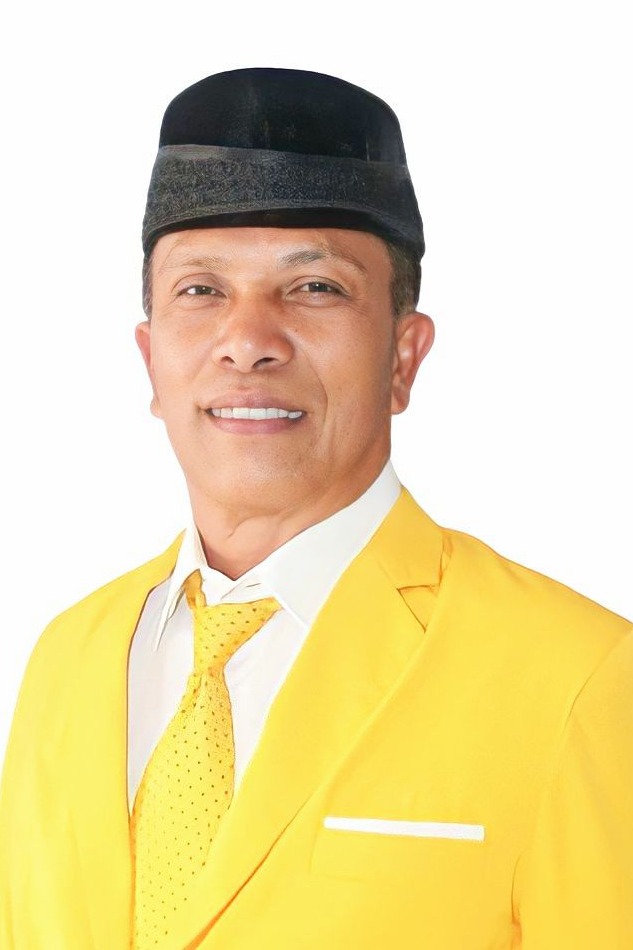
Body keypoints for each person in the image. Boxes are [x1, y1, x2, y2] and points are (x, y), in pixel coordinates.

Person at [0, 67, 631, 950]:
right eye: (200, 290)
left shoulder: (578, 674)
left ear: (403, 357)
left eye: (315, 288)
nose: (248, 342)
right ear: (150, 360)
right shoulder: (67, 657)